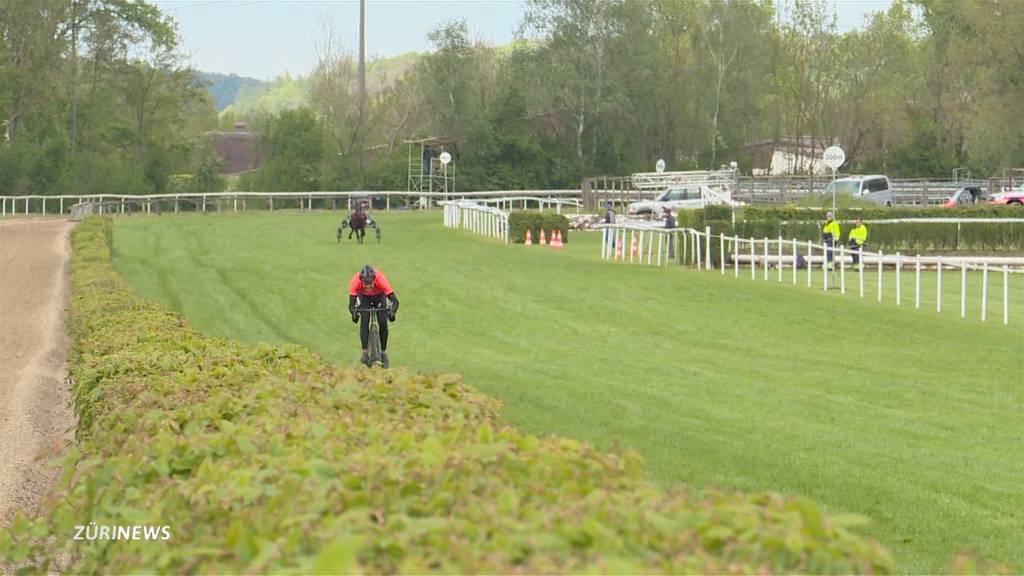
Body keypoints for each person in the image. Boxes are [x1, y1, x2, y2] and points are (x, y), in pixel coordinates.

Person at [347, 264, 399, 368]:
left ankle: (383, 352)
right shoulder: (355, 282)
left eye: (370, 283)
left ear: (374, 280)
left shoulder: (380, 279)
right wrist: (355, 314)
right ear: (361, 281)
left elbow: (395, 301)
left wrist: (392, 312)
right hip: (364, 298)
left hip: (379, 296)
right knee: (364, 321)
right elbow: (351, 305)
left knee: (383, 323)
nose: (368, 287)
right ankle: (365, 352)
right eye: (365, 284)